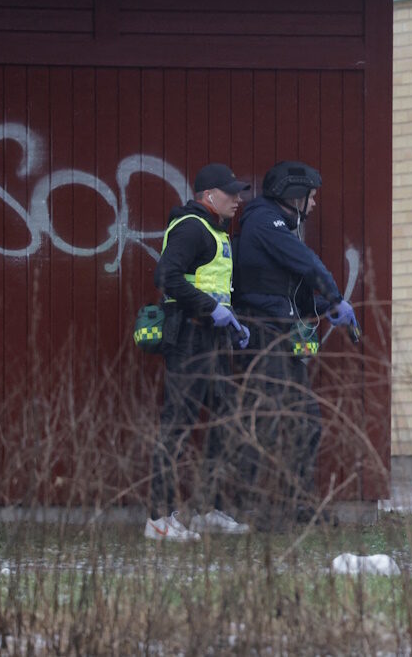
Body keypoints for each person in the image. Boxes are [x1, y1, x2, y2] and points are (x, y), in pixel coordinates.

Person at [232, 160, 358, 527]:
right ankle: (256, 508)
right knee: (269, 421)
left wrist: (323, 308)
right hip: (264, 333)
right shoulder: (263, 222)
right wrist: (335, 297)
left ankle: (300, 504)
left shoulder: (279, 227)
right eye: (311, 197)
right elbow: (307, 264)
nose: (315, 204)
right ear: (293, 196)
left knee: (305, 420)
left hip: (281, 332)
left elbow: (290, 290)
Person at [147, 163, 253, 541]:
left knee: (226, 419)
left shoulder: (215, 231)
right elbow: (167, 277)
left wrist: (233, 323)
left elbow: (213, 287)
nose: (238, 199)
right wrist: (211, 310)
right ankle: (158, 520)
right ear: (209, 196)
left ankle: (209, 508)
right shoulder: (192, 227)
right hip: (189, 338)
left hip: (211, 340)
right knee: (177, 426)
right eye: (231, 193)